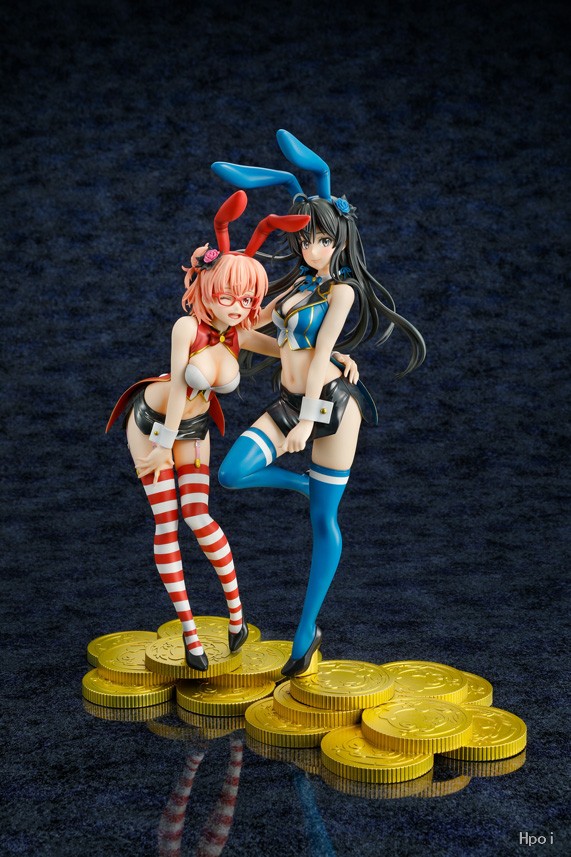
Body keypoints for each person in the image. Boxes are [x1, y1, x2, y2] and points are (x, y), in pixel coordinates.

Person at [106, 190, 356, 671]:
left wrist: (331, 363)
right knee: (198, 500)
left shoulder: (317, 301)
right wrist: (162, 443)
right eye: (306, 239)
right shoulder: (201, 324)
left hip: (273, 414)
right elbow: (203, 371)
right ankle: (194, 633)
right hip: (179, 422)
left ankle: (270, 626)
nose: (240, 306)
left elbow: (302, 347)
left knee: (225, 518)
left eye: (247, 298)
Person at [212, 130, 426, 676]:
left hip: (332, 406)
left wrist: (307, 422)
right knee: (232, 474)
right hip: (291, 399)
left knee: (323, 522)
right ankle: (303, 484)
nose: (312, 249)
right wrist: (223, 309)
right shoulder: (295, 288)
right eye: (306, 239)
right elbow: (254, 333)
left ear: (341, 240)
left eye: (322, 240)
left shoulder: (344, 291)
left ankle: (305, 632)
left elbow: (326, 349)